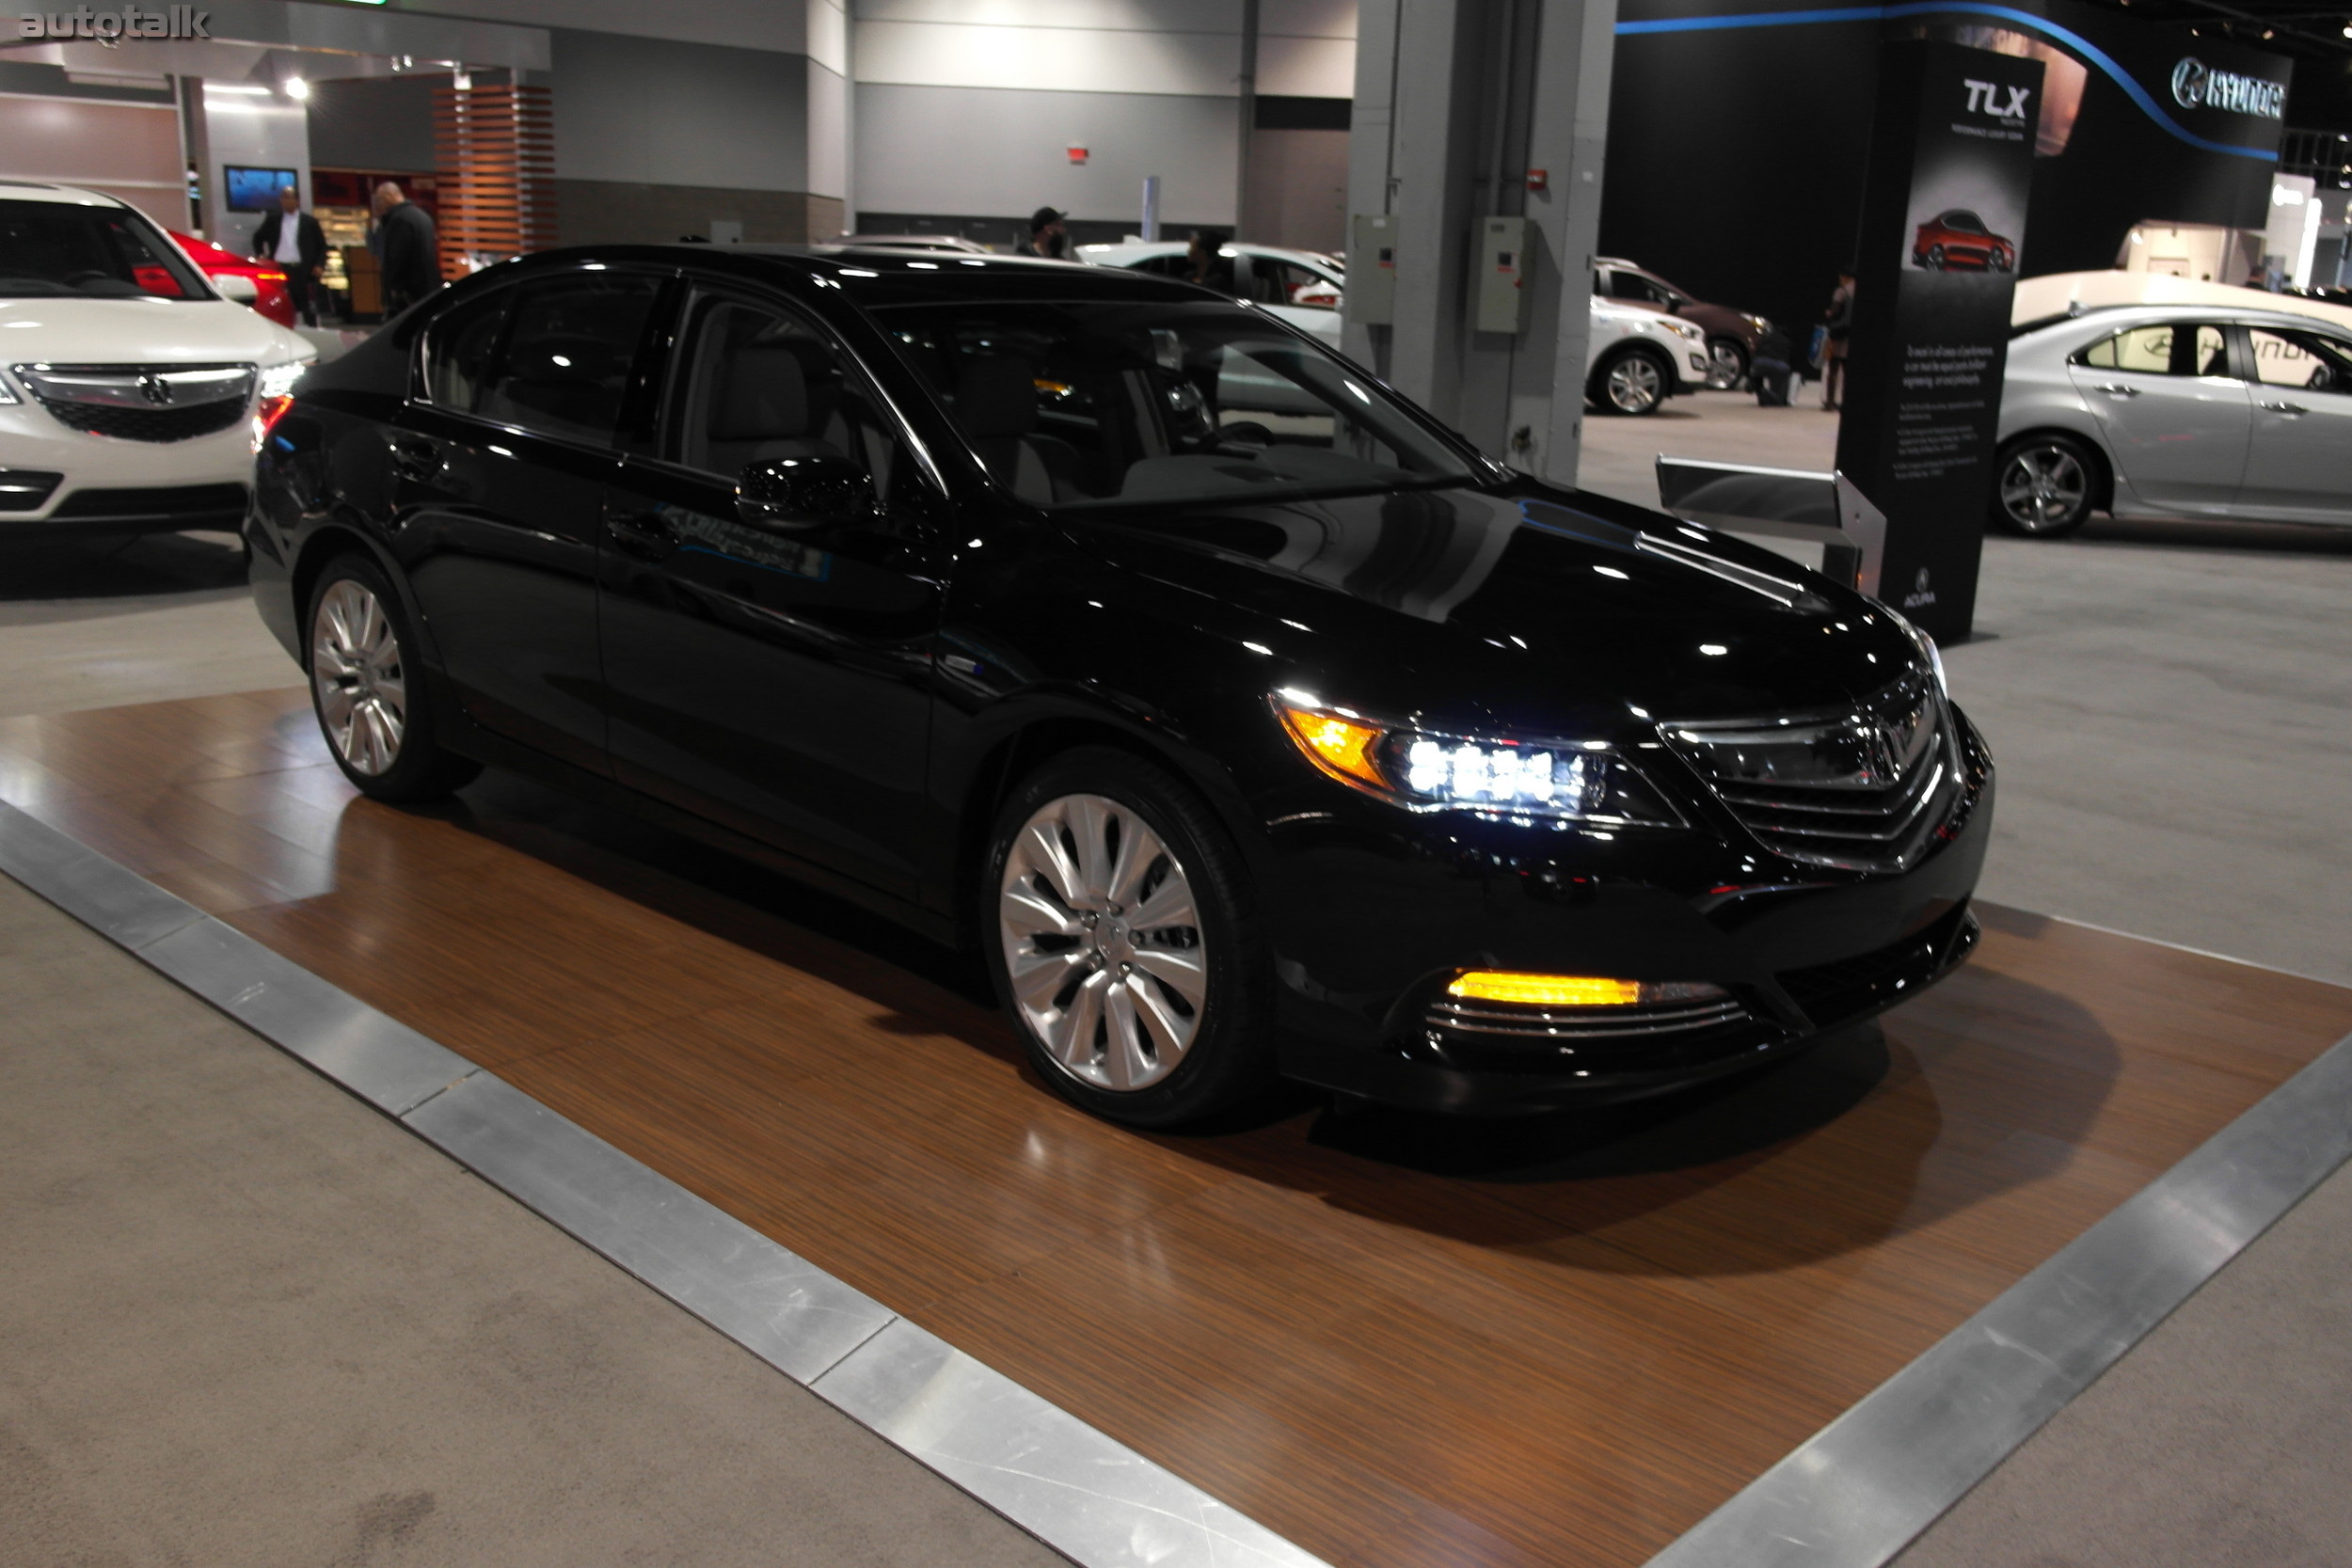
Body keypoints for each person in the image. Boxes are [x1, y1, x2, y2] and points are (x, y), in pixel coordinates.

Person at [250, 184, 326, 327]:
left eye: (288, 197)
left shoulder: (309, 222)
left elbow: (321, 246)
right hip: (280, 268)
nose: (284, 201)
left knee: (306, 305)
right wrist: (261, 256)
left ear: (297, 201)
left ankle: (312, 331)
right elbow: (258, 237)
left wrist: (319, 264)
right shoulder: (274, 220)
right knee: (282, 302)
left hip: (302, 269)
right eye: (283, 197)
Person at [370, 182, 443, 316]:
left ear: (388, 197)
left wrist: (394, 290)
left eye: (379, 200)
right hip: (426, 292)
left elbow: (398, 259)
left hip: (406, 298)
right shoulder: (423, 217)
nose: (378, 205)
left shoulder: (399, 220)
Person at [1820, 270, 1854, 411]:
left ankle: (1830, 402)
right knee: (1848, 374)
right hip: (1852, 336)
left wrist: (1829, 313)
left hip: (1838, 336)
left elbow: (1834, 310)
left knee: (1833, 371)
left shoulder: (1842, 291)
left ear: (1846, 277)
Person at [1750, 323, 1794, 407]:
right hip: (1779, 366)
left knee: (1757, 371)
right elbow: (1791, 361)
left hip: (1760, 363)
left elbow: (1756, 351)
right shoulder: (1787, 341)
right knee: (1778, 397)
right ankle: (1771, 395)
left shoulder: (1765, 337)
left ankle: (1758, 389)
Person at [1187, 228, 1236, 294]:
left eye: (1192, 247)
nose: (1188, 251)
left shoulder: (1218, 281)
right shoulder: (1188, 277)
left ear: (1202, 252)